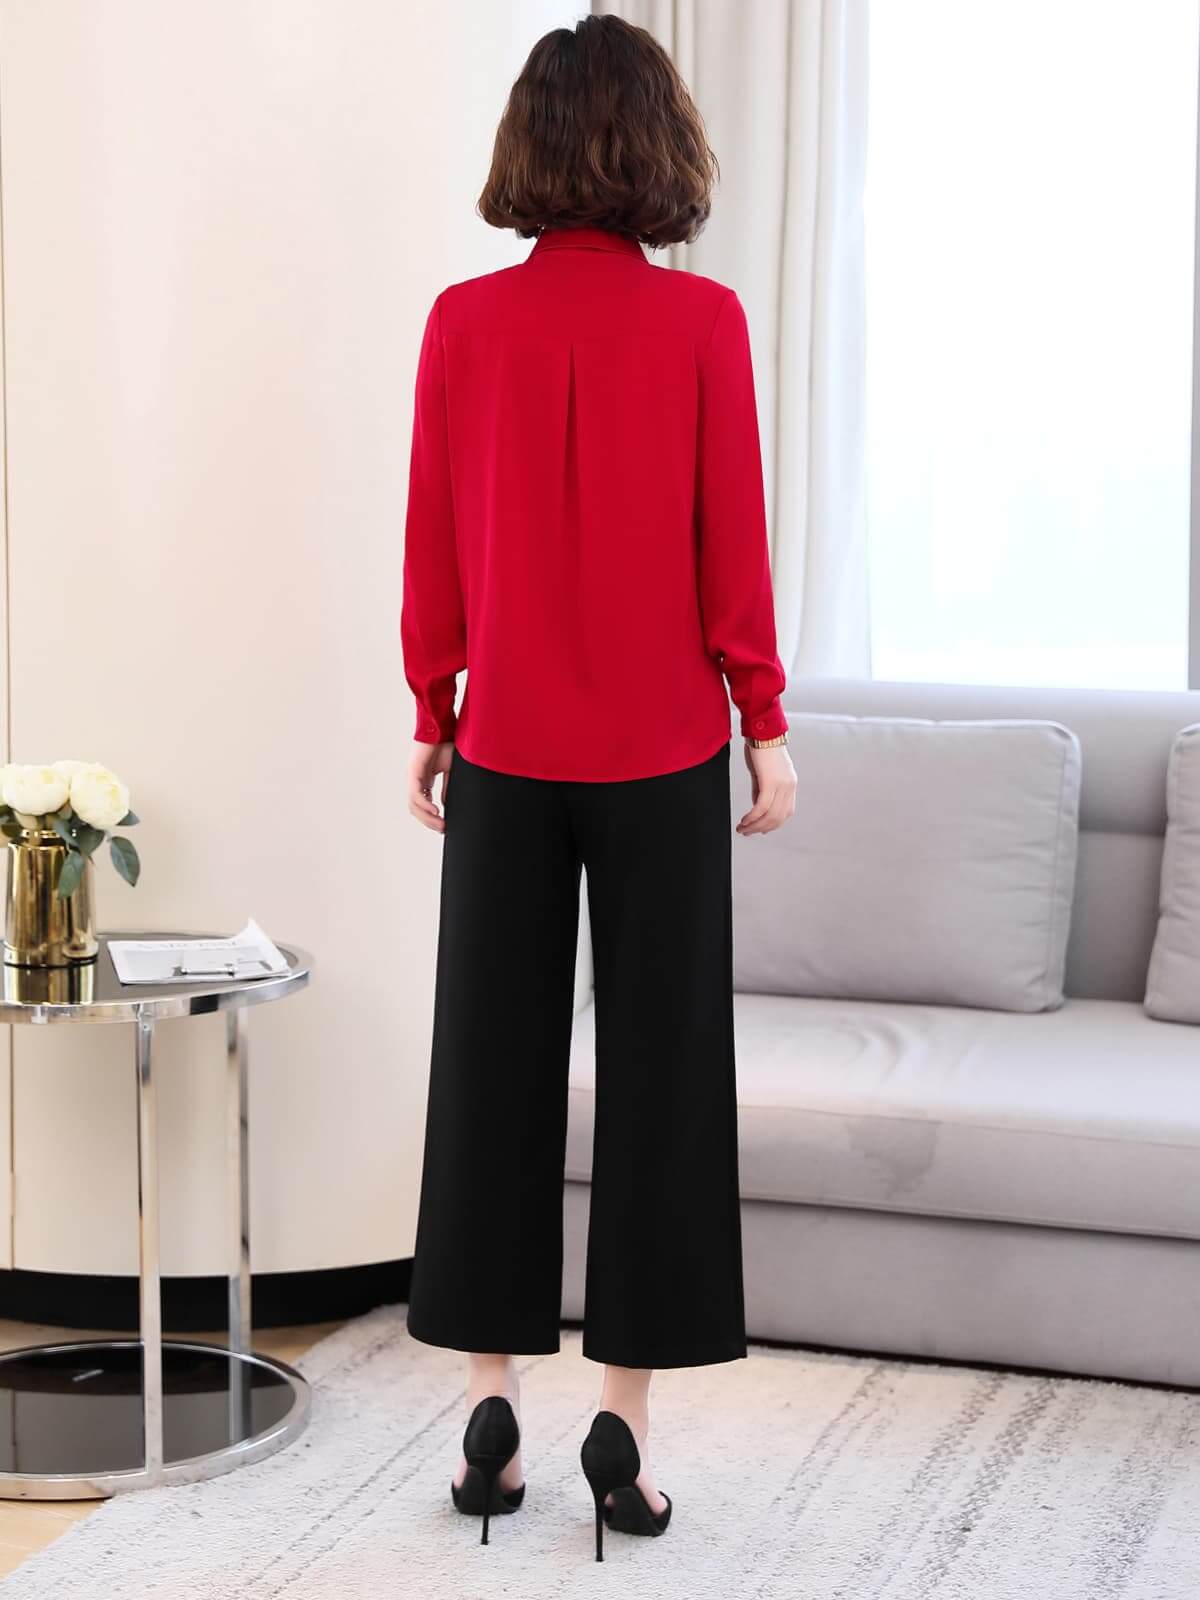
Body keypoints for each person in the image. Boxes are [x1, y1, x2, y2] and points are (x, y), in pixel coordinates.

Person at [400, 11, 797, 1563]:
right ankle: (622, 1430)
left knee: (487, 1072)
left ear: (527, 147)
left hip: (503, 752)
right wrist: (764, 722)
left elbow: (434, 541)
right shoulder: (702, 330)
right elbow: (733, 552)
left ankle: (491, 1406)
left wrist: (429, 706)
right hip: (656, 758)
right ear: (660, 146)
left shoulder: (459, 322)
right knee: (661, 1086)